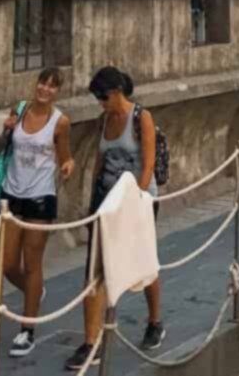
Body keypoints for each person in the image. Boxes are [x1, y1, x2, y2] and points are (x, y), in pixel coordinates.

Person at [66, 68, 163, 371]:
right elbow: (98, 162)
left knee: (143, 263)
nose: (101, 102)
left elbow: (147, 165)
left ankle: (155, 321)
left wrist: (135, 204)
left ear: (118, 90)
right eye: (97, 98)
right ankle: (90, 341)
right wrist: (91, 204)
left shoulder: (140, 118)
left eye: (104, 97)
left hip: (136, 201)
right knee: (96, 269)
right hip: (106, 202)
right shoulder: (104, 120)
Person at [1, 68, 74, 360]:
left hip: (41, 196)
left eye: (52, 86)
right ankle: (35, 291)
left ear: (58, 91)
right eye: (42, 83)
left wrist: (68, 165)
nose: (45, 89)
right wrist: (6, 127)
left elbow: (65, 154)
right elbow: (7, 145)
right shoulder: (19, 110)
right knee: (7, 264)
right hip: (11, 192)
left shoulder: (60, 122)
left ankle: (27, 328)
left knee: (32, 262)